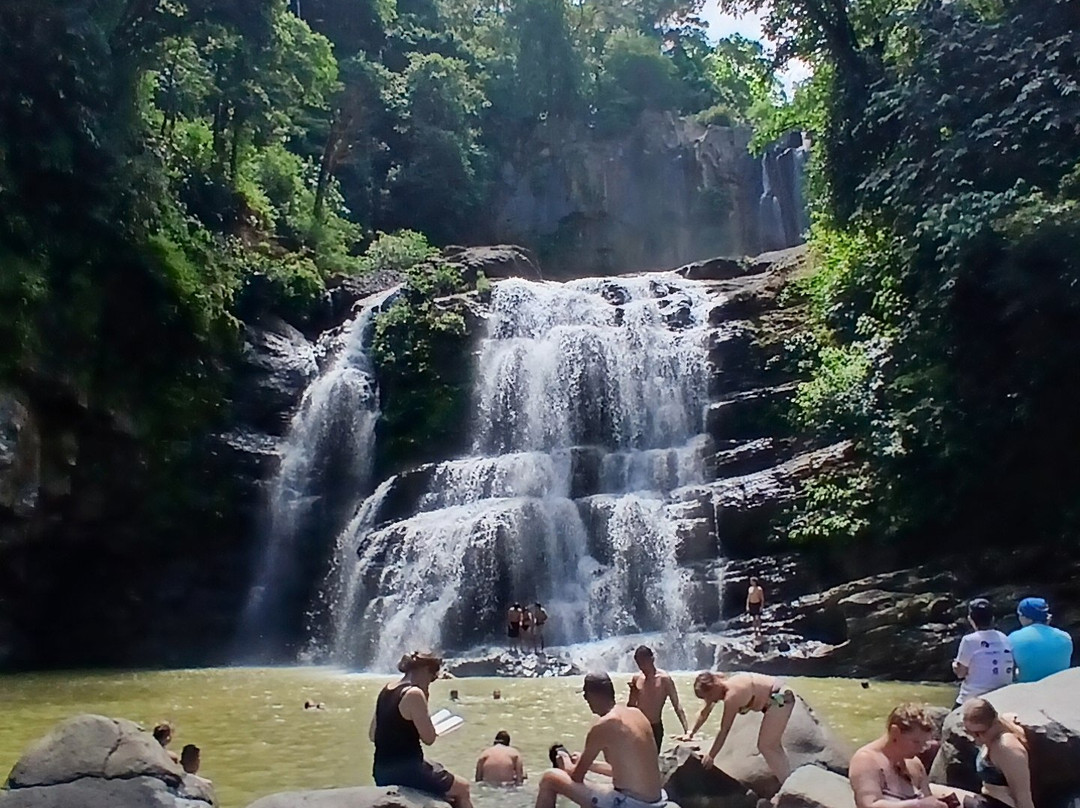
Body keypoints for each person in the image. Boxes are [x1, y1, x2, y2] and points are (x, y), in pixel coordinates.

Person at [535, 672, 669, 808]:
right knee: (597, 790)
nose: (586, 699)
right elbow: (622, 770)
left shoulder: (604, 724)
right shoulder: (636, 713)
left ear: (594, 695)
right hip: (656, 799)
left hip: (633, 804)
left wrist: (564, 759)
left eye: (586, 695)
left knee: (550, 778)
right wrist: (591, 765)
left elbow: (576, 777)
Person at [369, 651, 473, 808]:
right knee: (463, 787)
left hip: (381, 770)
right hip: (408, 771)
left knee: (437, 769)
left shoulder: (386, 690)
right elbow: (429, 738)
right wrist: (426, 698)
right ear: (425, 670)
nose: (430, 682)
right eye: (432, 678)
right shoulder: (414, 694)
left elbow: (372, 735)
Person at [683, 671, 795, 784]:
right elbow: (704, 712)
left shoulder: (731, 696)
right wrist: (690, 733)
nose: (709, 700)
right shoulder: (721, 681)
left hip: (780, 697)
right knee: (773, 745)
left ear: (714, 686)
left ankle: (788, 785)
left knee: (767, 746)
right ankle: (789, 782)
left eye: (709, 696)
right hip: (777, 694)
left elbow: (724, 729)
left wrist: (711, 756)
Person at [850, 703, 960, 808]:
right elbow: (868, 805)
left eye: (924, 744)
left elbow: (928, 799)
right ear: (895, 732)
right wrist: (917, 805)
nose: (921, 749)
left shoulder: (915, 764)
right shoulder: (867, 760)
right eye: (916, 742)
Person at [961, 699, 1034, 808]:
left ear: (994, 723)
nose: (975, 739)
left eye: (979, 733)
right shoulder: (997, 727)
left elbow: (1023, 797)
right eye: (969, 733)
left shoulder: (1007, 749)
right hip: (984, 801)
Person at [627, 645, 689, 752]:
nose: (641, 666)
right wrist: (633, 693)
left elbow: (677, 705)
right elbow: (630, 707)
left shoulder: (664, 679)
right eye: (638, 663)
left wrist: (687, 731)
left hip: (655, 727)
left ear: (652, 659)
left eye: (643, 661)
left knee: (652, 762)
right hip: (638, 726)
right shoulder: (636, 678)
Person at [953, 598, 1014, 706]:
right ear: (993, 618)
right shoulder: (1004, 637)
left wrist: (955, 665)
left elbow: (960, 673)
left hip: (974, 697)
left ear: (970, 619)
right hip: (1003, 695)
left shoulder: (969, 640)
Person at [1007, 597, 1072, 683]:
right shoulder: (1066, 637)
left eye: (1020, 615)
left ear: (1027, 618)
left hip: (1028, 688)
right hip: (1061, 685)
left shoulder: (1013, 638)